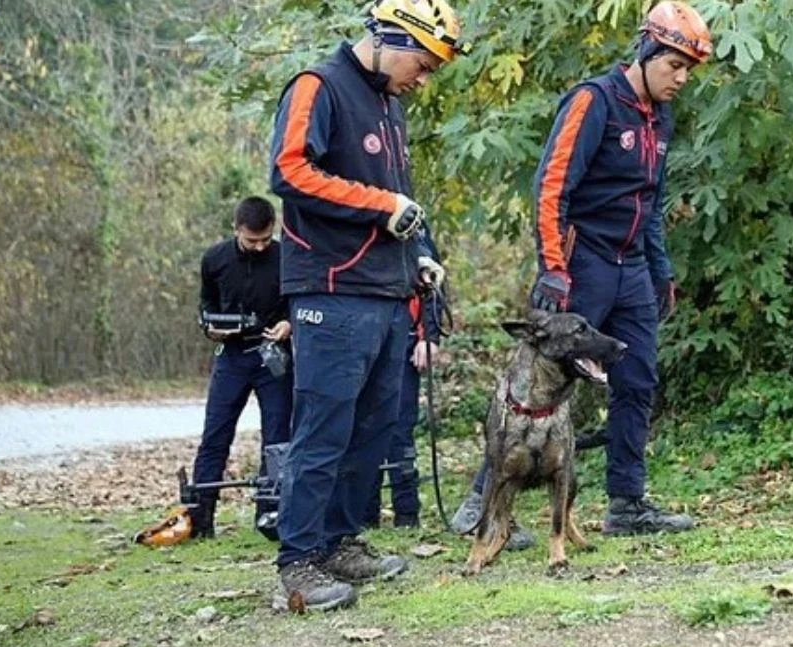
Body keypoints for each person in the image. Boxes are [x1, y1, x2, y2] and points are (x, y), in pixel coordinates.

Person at [451, 1, 712, 540]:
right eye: (674, 66)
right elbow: (551, 187)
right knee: (539, 387)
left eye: (689, 69)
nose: (682, 78)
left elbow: (653, 200)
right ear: (645, 51)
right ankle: (481, 505)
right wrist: (553, 268)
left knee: (637, 380)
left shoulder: (661, 117)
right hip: (582, 262)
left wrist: (661, 271)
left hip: (632, 264)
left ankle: (627, 504)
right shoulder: (594, 101)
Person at [268, 0, 462, 611]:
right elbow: (290, 170)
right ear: (388, 38)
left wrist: (422, 252)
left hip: (386, 287)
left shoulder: (390, 105)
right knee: (323, 427)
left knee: (372, 428)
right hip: (330, 288)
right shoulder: (316, 85)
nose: (425, 79)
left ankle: (340, 542)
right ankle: (298, 561)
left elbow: (400, 197)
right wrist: (382, 207)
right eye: (423, 64)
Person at [191, 195, 292, 539]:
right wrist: (210, 328)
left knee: (278, 438)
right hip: (232, 356)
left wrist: (288, 324)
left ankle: (271, 514)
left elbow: (300, 301)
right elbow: (206, 305)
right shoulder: (215, 259)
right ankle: (200, 516)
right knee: (215, 435)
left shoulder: (285, 257)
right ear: (236, 230)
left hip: (273, 355)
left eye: (266, 239)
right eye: (252, 241)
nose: (261, 246)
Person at [365, 226, 447, 530]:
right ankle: (364, 514)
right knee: (364, 427)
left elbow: (433, 284)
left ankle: (407, 512)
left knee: (400, 429)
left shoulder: (414, 226)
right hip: (365, 336)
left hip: (406, 340)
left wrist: (430, 337)